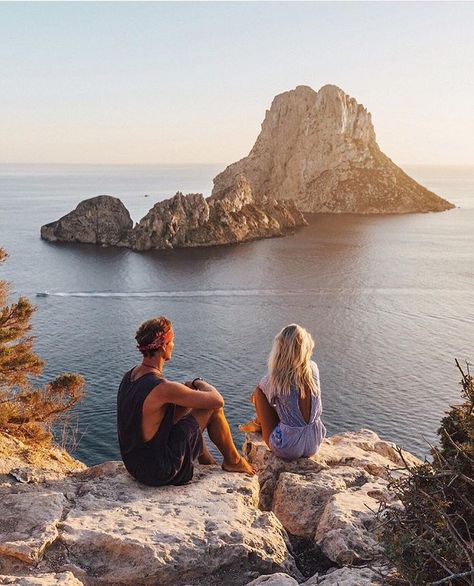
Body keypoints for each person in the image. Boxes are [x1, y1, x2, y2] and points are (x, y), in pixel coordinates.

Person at [117, 316, 254, 486]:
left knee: (188, 406)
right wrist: (197, 382)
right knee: (211, 409)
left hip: (135, 466)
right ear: (163, 345)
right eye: (172, 341)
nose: (174, 345)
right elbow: (217, 401)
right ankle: (233, 461)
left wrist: (187, 397)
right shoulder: (163, 388)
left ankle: (209, 463)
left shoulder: (129, 376)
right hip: (160, 471)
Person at [240, 324, 326, 460]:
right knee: (283, 402)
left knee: (259, 392)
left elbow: (254, 398)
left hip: (287, 447)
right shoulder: (313, 368)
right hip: (313, 442)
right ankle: (258, 423)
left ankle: (258, 423)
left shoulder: (275, 378)